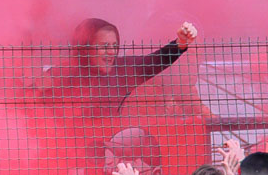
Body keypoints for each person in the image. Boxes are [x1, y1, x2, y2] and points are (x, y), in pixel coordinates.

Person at [38, 18, 198, 117]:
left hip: (108, 155)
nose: (111, 52)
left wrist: (180, 43)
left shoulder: (122, 71)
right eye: (104, 46)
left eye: (114, 46)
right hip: (66, 153)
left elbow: (155, 61)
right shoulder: (62, 73)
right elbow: (31, 100)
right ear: (85, 48)